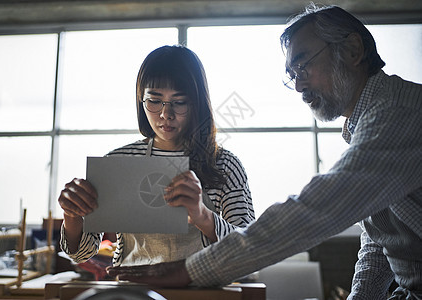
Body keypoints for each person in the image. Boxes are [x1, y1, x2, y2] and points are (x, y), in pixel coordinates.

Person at [106, 5, 422, 299]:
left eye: (303, 65)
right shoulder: (365, 124)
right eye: (291, 74)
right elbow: (379, 242)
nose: (298, 86)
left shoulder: (397, 114)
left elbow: (319, 208)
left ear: (353, 50)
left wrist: (190, 268)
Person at [58, 45, 255, 267]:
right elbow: (82, 253)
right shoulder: (117, 163)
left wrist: (203, 216)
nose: (165, 114)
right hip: (134, 291)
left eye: (179, 102)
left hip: (201, 289)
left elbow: (249, 247)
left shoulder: (224, 164)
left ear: (197, 102)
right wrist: (72, 216)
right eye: (154, 100)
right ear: (141, 101)